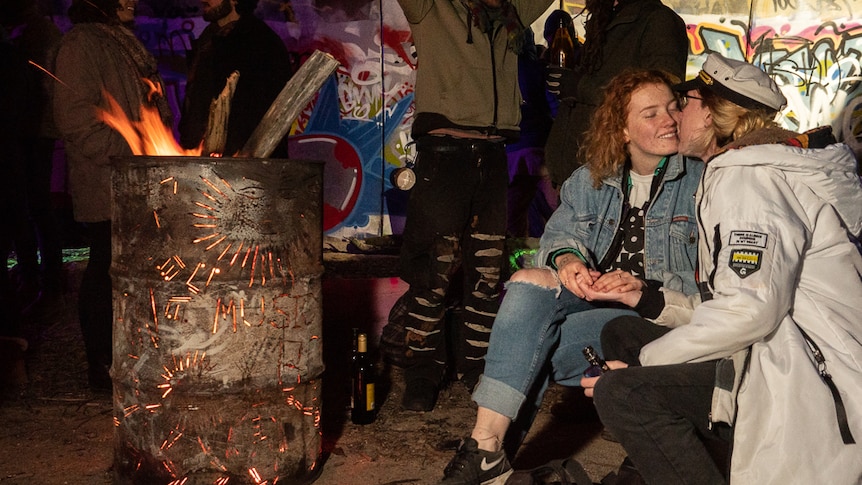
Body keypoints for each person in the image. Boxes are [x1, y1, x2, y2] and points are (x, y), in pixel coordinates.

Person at [582, 53, 862, 484]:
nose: (677, 114)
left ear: (712, 114)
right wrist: (652, 298)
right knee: (623, 331)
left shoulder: (749, 180)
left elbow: (752, 310)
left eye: (685, 101)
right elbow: (742, 297)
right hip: (775, 344)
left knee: (623, 392)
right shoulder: (747, 167)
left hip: (802, 369)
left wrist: (645, 366)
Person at [438, 69, 703, 485]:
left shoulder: (700, 181)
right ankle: (485, 447)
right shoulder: (590, 179)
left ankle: (489, 462)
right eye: (650, 114)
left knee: (532, 342)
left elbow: (709, 291)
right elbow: (561, 235)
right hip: (597, 314)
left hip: (656, 320)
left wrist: (643, 289)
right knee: (529, 281)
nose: (668, 120)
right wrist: (567, 260)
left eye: (673, 108)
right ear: (622, 130)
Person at [380, 0, 553, 413]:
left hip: (493, 157)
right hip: (443, 153)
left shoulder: (511, 12)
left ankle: (477, 368)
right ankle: (422, 374)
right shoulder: (433, 7)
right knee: (431, 272)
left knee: (486, 272)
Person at [53, 0, 173, 391]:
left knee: (131, 277)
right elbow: (77, 123)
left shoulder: (122, 42)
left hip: (137, 182)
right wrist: (137, 148)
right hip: (109, 185)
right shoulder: (81, 45)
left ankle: (130, 359)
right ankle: (101, 366)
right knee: (105, 273)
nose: (132, 2)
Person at [544, 0, 687, 191]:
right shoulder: (606, 17)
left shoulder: (657, 20)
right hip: (579, 169)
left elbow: (658, 100)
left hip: (612, 174)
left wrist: (580, 86)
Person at [0, 0, 65, 319]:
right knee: (32, 203)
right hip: (34, 127)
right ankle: (46, 273)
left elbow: (38, 85)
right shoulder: (40, 31)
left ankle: (42, 274)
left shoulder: (34, 34)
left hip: (33, 129)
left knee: (30, 202)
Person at [179, 0, 292, 157]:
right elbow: (196, 101)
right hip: (202, 159)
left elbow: (263, 110)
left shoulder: (261, 43)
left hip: (242, 164)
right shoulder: (208, 39)